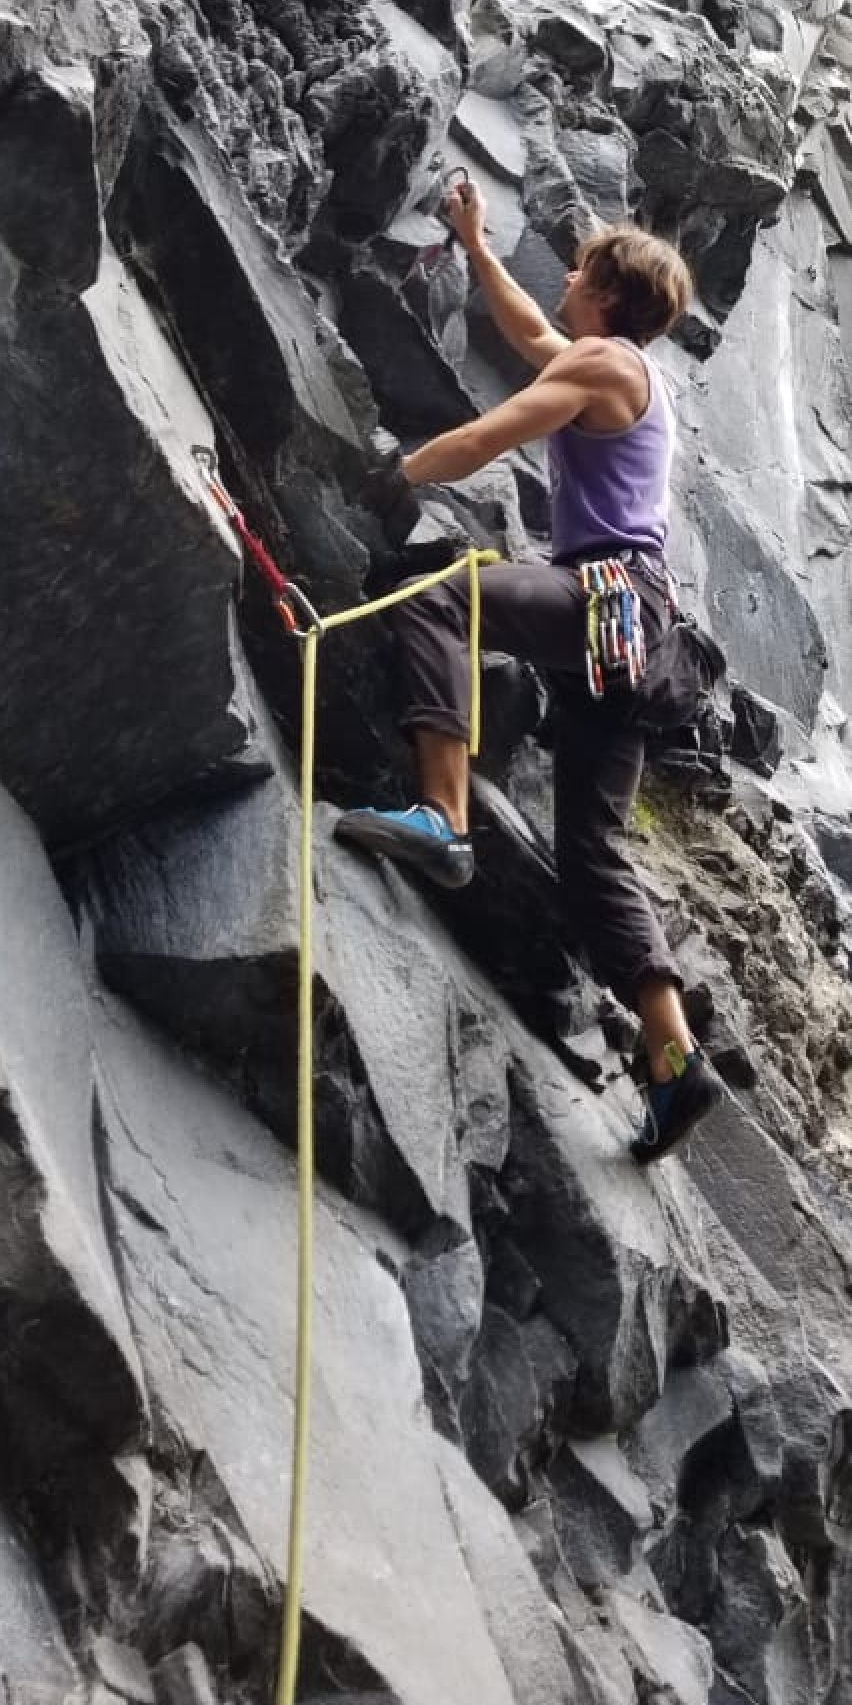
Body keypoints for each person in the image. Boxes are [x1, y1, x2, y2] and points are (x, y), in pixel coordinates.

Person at [337, 181, 723, 1165]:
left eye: (581, 271)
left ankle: (443, 816)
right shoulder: (621, 370)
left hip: (605, 601)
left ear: (604, 291)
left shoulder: (601, 361)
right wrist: (473, 244)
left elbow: (488, 435)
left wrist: (396, 471)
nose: (569, 281)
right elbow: (526, 336)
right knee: (593, 857)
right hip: (640, 636)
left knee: (438, 599)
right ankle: (676, 1065)